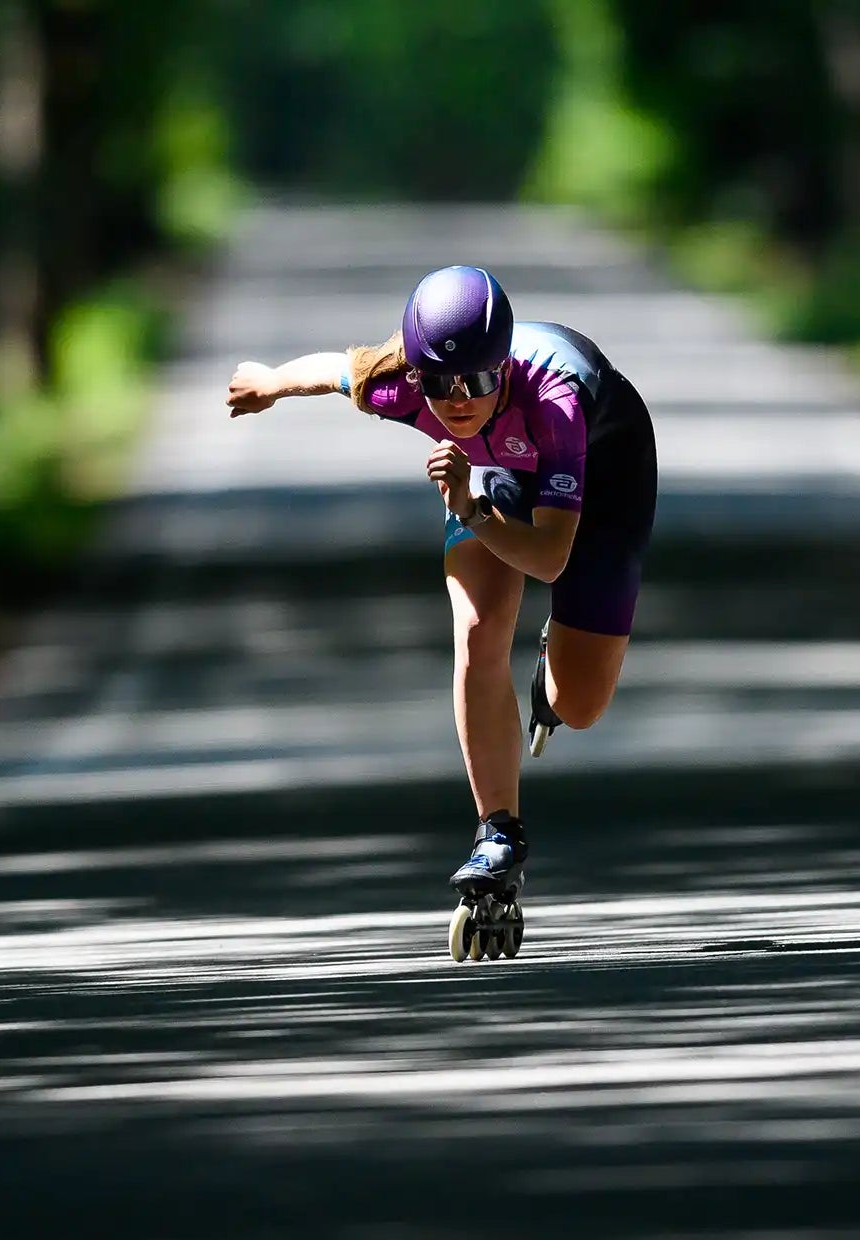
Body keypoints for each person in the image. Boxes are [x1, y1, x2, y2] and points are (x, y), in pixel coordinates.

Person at [224, 264, 658, 912]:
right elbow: (336, 371)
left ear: (504, 368)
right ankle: (498, 834)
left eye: (478, 380)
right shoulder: (399, 384)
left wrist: (473, 510)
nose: (457, 400)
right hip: (490, 474)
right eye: (438, 383)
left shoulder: (553, 401)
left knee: (580, 703)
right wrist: (270, 383)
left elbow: (548, 560)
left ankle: (549, 674)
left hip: (603, 466)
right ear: (416, 373)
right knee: (479, 634)